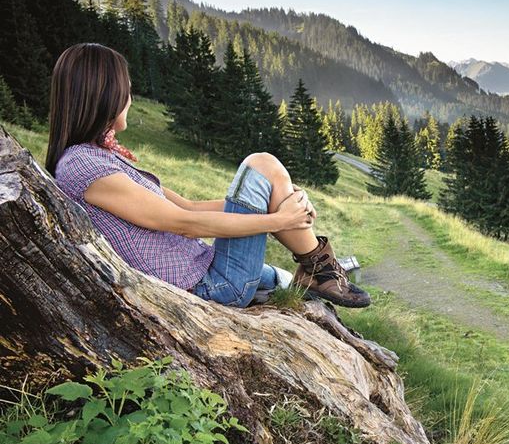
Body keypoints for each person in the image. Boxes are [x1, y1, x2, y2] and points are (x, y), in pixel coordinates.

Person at [47, 43, 370, 309]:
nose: (130, 99)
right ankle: (322, 270)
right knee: (263, 163)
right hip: (209, 287)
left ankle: (318, 271)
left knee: (286, 278)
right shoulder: (86, 168)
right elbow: (183, 224)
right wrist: (279, 220)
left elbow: (188, 207)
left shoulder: (98, 158)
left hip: (207, 268)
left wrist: (275, 205)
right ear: (105, 95)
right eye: (127, 91)